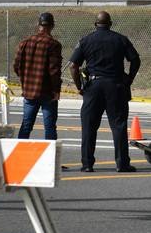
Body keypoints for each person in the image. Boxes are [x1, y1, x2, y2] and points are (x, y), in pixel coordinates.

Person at [69, 11, 141, 172]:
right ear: (110, 24)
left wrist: (79, 86)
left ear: (95, 24)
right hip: (116, 85)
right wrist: (129, 78)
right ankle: (122, 163)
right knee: (118, 125)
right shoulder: (120, 39)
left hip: (93, 86)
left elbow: (73, 66)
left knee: (89, 126)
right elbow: (135, 59)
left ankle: (87, 164)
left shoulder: (86, 40)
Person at [12, 11, 63, 140]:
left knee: (26, 126)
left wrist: (26, 79)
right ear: (52, 26)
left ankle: (19, 154)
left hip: (29, 91)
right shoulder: (53, 45)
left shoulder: (24, 43)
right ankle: (51, 157)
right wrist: (56, 90)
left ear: (38, 24)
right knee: (50, 127)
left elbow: (16, 66)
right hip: (47, 93)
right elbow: (54, 71)